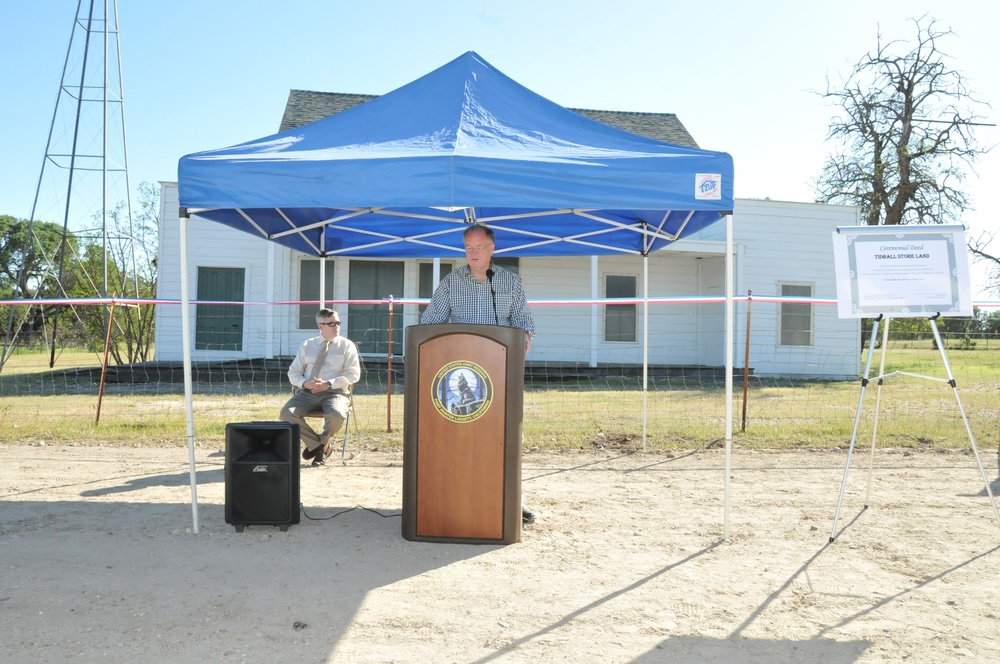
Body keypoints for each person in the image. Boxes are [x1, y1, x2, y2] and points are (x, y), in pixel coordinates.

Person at [420, 224, 539, 524]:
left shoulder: (510, 281)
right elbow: (431, 319)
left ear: (492, 249)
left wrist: (525, 336)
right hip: (459, 373)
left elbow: (524, 320)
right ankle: (455, 496)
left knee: (507, 436)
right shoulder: (450, 282)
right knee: (459, 439)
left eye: (479, 247)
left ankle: (511, 500)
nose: (473, 253)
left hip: (501, 376)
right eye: (468, 248)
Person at [280, 308, 361, 466]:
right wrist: (305, 383)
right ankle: (321, 446)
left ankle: (319, 447)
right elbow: (293, 372)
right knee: (286, 414)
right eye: (331, 323)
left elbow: (354, 375)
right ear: (320, 326)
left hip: (336, 392)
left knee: (336, 414)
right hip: (308, 392)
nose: (336, 326)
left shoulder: (347, 346)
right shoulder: (307, 345)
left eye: (338, 323)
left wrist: (329, 384)